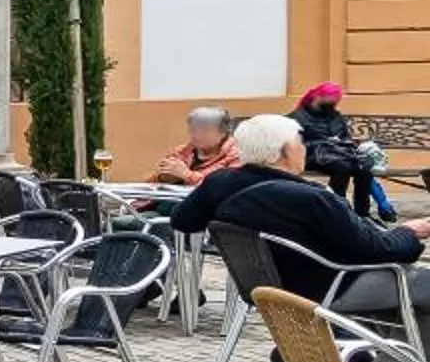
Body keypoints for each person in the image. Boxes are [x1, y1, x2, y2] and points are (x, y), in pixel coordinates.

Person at [172, 113, 430, 325]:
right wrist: (407, 233)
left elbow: (182, 221)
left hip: (268, 290)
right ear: (284, 151)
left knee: (407, 287)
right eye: (300, 144)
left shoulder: (219, 182)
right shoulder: (312, 198)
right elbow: (376, 251)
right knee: (419, 284)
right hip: (329, 288)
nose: (305, 150)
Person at [293, 84, 398, 223]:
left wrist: (342, 142)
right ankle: (337, 211)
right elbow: (295, 145)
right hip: (313, 156)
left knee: (364, 167)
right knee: (342, 167)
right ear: (317, 97)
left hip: (338, 154)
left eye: (335, 101)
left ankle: (362, 214)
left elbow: (346, 138)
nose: (332, 104)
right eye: (329, 100)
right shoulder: (298, 117)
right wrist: (324, 142)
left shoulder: (336, 116)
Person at [154, 107, 239, 190]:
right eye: (193, 130)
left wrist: (188, 176)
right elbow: (150, 185)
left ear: (223, 133)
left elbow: (226, 190)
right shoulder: (181, 151)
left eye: (204, 131)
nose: (197, 135)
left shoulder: (235, 155)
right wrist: (163, 178)